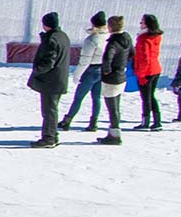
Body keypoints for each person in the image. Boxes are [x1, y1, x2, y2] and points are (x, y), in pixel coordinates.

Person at [28, 11, 71, 148]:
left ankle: (49, 137)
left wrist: (37, 70)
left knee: (49, 110)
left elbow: (49, 61)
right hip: (58, 78)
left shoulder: (52, 39)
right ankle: (52, 134)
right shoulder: (62, 36)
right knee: (51, 109)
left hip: (51, 80)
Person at [59, 11, 107, 132]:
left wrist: (77, 74)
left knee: (79, 97)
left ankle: (68, 119)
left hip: (90, 70)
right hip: (103, 69)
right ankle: (94, 122)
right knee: (96, 98)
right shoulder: (108, 38)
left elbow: (85, 59)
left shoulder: (91, 39)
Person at [96, 15, 134, 145]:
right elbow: (132, 53)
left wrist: (106, 70)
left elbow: (107, 58)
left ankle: (115, 135)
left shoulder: (113, 42)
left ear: (110, 27)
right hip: (121, 76)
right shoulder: (127, 38)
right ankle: (113, 132)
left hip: (111, 78)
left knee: (112, 107)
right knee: (116, 106)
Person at [132, 13, 164, 131]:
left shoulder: (143, 39)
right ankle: (157, 121)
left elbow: (145, 58)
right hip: (155, 68)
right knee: (151, 96)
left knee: (145, 97)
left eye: (142, 22)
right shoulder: (156, 36)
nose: (140, 24)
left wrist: (140, 74)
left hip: (147, 71)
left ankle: (145, 121)